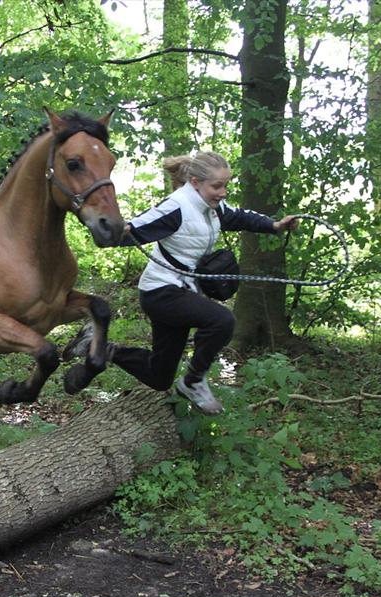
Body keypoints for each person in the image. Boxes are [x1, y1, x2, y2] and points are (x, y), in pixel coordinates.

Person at [66, 151, 299, 415]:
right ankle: (193, 381)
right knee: (221, 321)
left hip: (180, 292)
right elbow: (137, 226)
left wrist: (274, 225)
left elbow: (240, 217)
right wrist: (119, 230)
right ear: (196, 182)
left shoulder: (213, 207)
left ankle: (98, 347)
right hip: (160, 293)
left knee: (159, 376)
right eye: (217, 186)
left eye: (226, 185)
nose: (223, 192)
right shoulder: (176, 207)